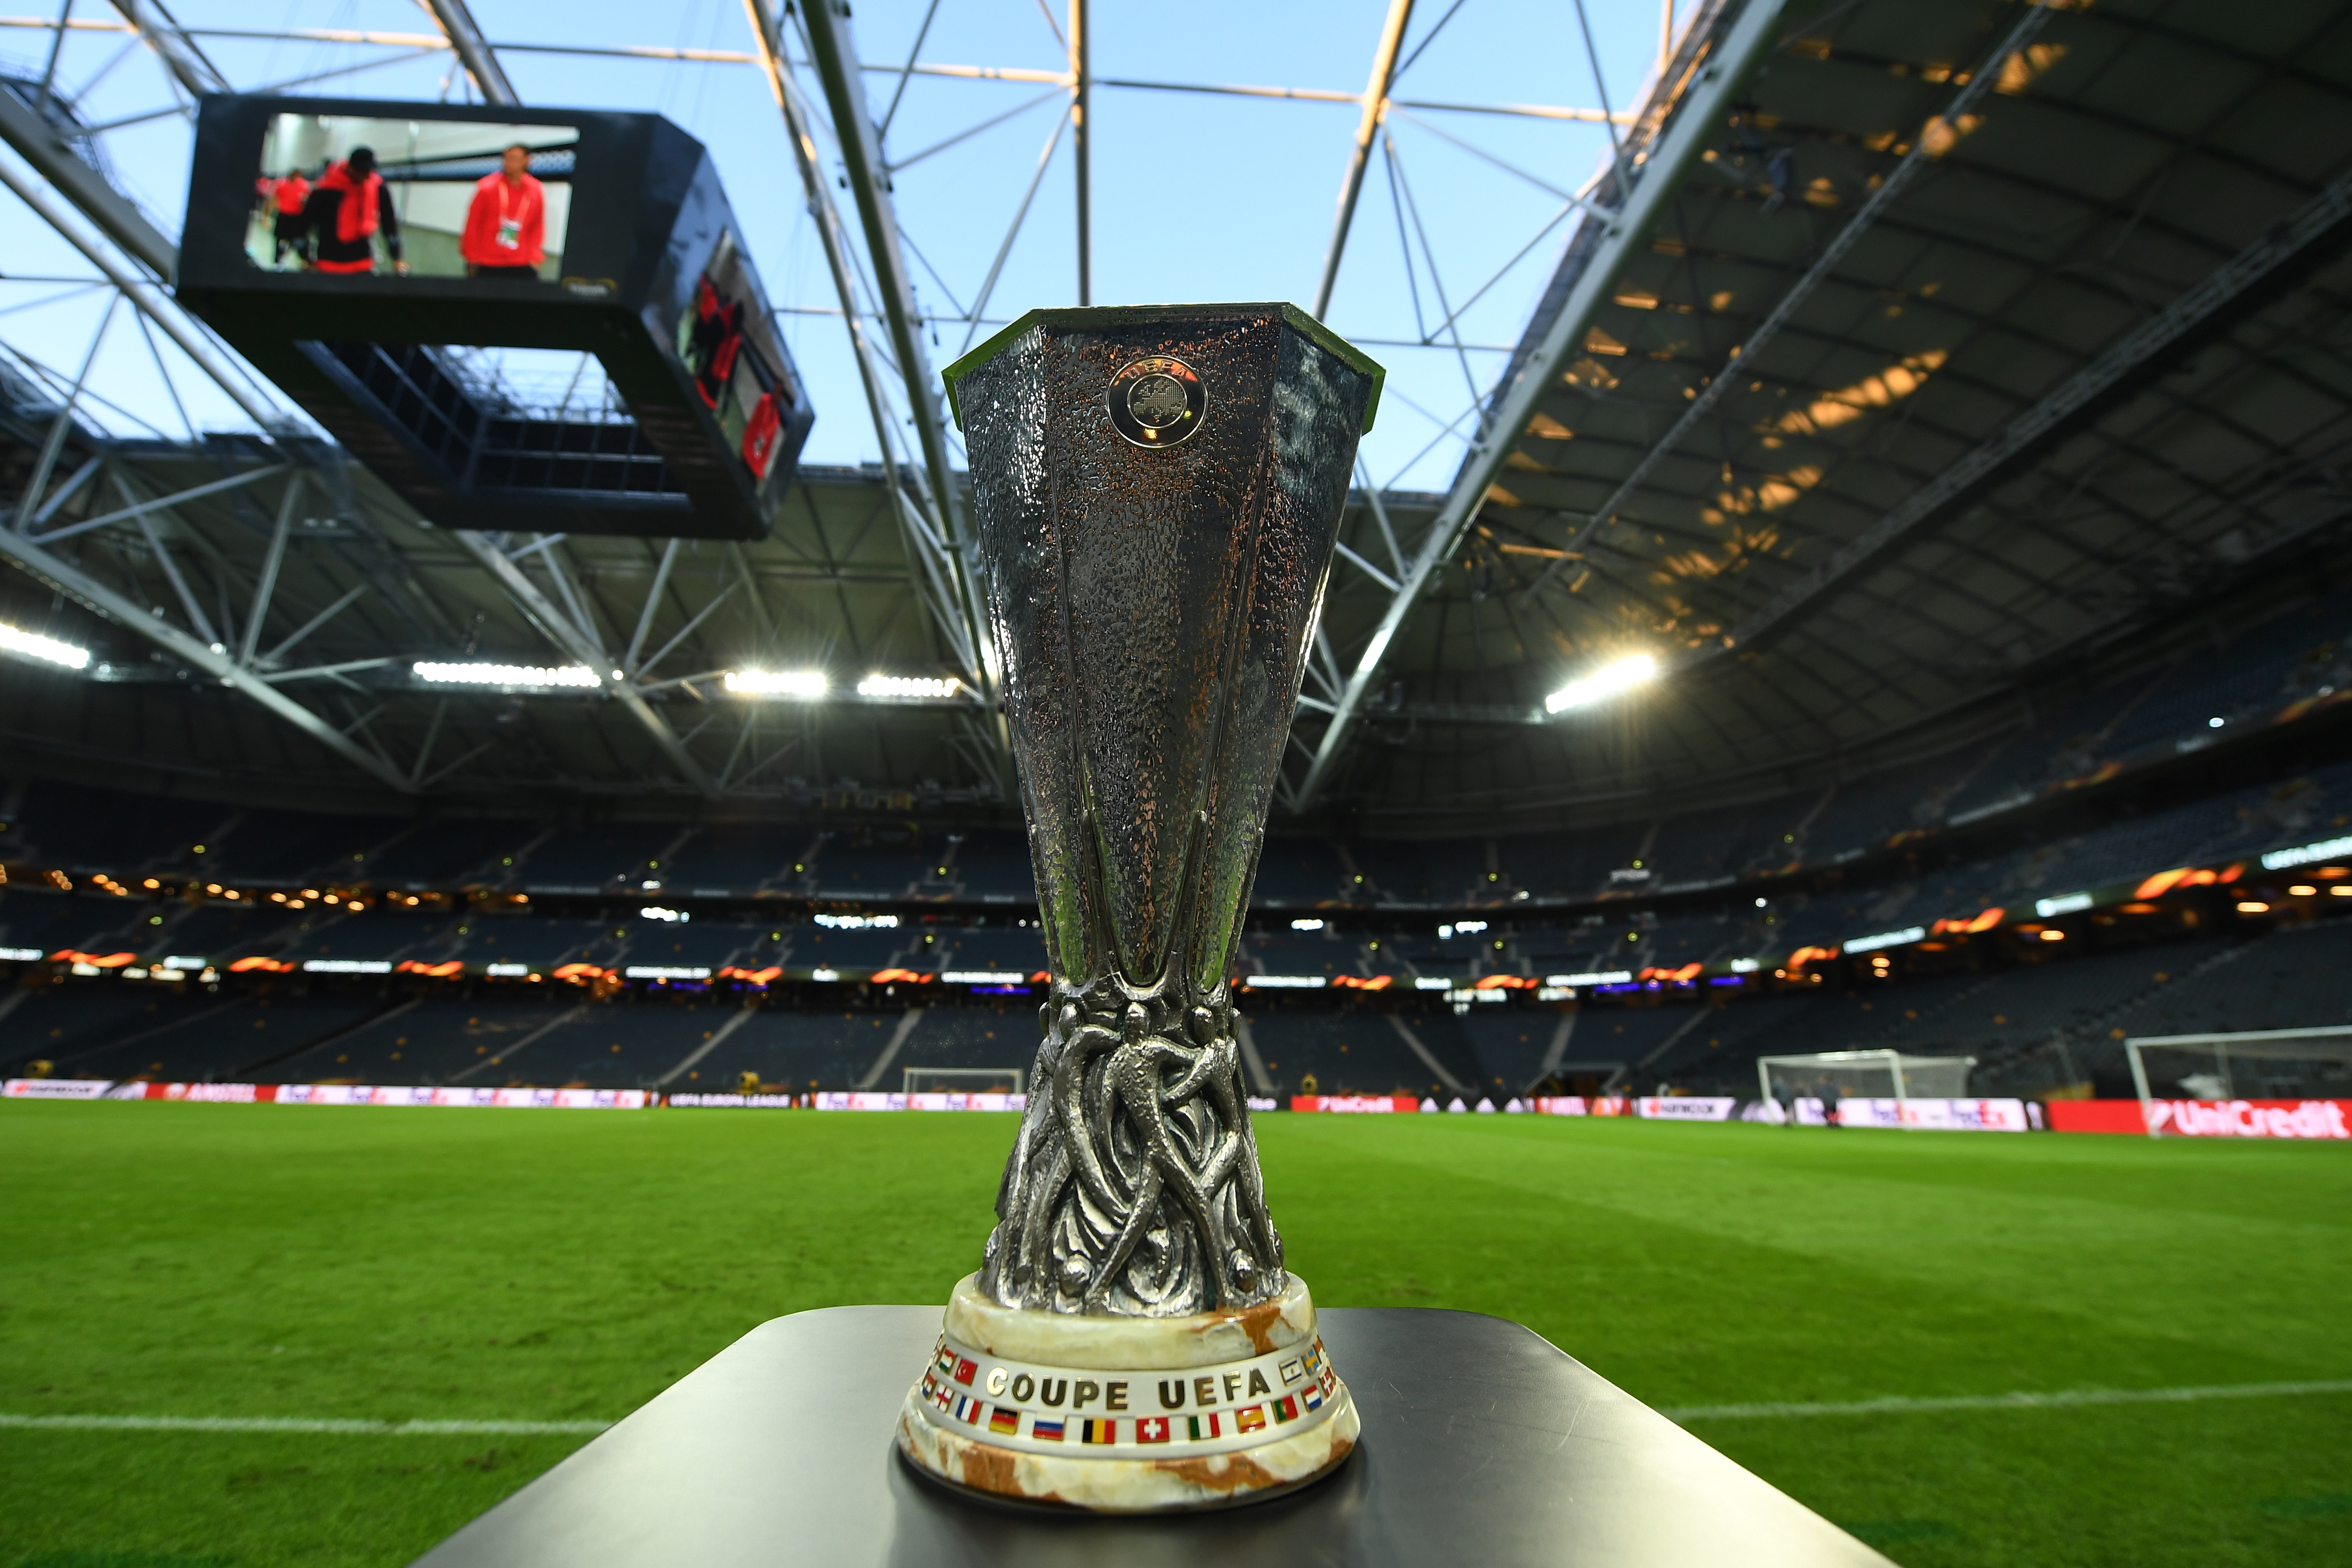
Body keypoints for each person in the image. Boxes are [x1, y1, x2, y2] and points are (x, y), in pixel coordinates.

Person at [303, 147, 406, 276]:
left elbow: (389, 223)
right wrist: (305, 257)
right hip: (329, 262)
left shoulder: (377, 187)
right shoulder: (325, 190)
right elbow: (305, 223)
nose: (367, 176)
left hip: (362, 262)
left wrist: (397, 258)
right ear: (351, 167)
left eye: (369, 171)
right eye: (362, 171)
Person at [461, 144, 547, 279]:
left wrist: (535, 257)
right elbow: (473, 225)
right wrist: (472, 258)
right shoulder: (487, 188)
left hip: (521, 263)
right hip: (487, 262)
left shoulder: (535, 190)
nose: (509, 163)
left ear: (527, 161)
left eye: (515, 159)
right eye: (507, 159)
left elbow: (537, 226)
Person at [260, 169, 310, 266]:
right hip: (284, 216)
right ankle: (278, 258)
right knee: (279, 238)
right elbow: (273, 201)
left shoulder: (303, 185)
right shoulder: (281, 185)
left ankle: (295, 257)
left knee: (296, 239)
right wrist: (266, 217)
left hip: (296, 217)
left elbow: (307, 201)